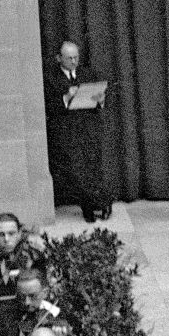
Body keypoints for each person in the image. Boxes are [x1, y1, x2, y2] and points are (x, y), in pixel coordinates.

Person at [45, 37, 112, 221]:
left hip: (88, 129)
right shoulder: (50, 78)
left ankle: (103, 203)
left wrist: (100, 99)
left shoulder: (88, 74)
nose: (74, 62)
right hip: (66, 132)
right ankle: (89, 207)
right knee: (76, 171)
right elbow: (48, 106)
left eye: (76, 57)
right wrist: (66, 97)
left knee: (93, 169)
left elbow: (100, 100)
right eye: (69, 58)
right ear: (59, 58)